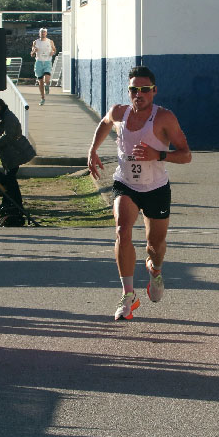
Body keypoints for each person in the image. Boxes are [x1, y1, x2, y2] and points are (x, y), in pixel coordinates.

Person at [87, 66, 192, 320]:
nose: (139, 94)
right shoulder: (119, 113)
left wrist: (159, 154)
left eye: (145, 90)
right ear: (128, 90)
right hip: (126, 184)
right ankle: (128, 295)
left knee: (155, 246)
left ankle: (155, 271)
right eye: (134, 89)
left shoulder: (164, 118)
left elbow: (186, 155)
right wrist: (93, 150)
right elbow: (104, 122)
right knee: (122, 230)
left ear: (154, 91)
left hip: (156, 188)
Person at [0, 97, 36, 226]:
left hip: (15, 153)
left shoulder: (8, 117)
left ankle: (15, 203)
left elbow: (8, 135)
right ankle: (13, 203)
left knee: (10, 179)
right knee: (10, 180)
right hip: (10, 154)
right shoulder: (2, 116)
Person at [31, 27, 57, 106]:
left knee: (46, 79)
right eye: (41, 32)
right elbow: (31, 54)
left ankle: (47, 85)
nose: (43, 34)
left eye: (44, 32)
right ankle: (42, 98)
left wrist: (53, 52)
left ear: (46, 33)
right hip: (39, 62)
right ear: (39, 33)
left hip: (47, 62)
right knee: (40, 82)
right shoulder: (35, 42)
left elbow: (54, 50)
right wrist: (34, 51)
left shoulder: (50, 41)